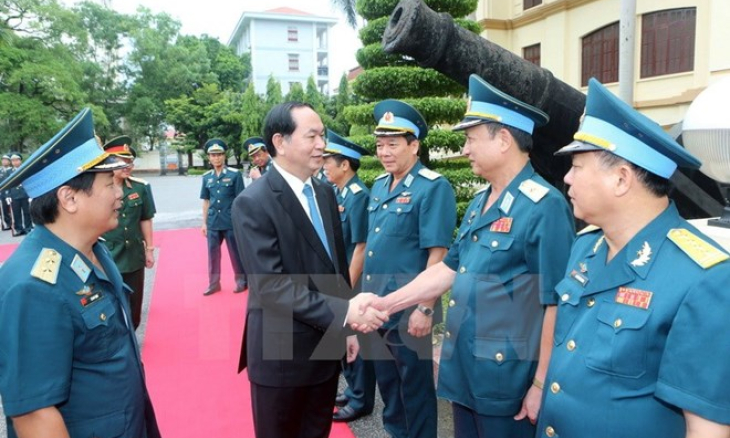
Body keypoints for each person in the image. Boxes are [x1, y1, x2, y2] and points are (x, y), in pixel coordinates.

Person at [361, 76, 576, 438]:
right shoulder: (481, 203)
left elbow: (556, 302)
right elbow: (448, 268)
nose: (464, 149)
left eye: (471, 138)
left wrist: (541, 384)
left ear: (503, 139)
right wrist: (387, 303)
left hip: (507, 379)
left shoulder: (544, 207)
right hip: (466, 369)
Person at [535, 78, 730, 438]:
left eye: (577, 166)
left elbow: (706, 428)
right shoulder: (586, 247)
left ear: (622, 179)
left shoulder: (704, 277)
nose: (566, 178)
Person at [0, 108, 161, 438]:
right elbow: (34, 415)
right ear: (69, 198)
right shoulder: (33, 286)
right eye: (108, 184)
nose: (120, 193)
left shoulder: (94, 248)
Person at [231, 101, 387, 438]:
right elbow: (270, 286)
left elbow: (335, 267)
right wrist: (345, 312)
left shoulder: (325, 192)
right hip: (281, 354)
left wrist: (345, 329)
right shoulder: (254, 202)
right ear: (280, 142)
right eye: (312, 136)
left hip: (326, 349)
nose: (322, 145)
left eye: (323, 135)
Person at [361, 99, 457, 438]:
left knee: (414, 388)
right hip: (376, 306)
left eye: (393, 144)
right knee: (388, 385)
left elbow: (438, 254)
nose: (384, 152)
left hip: (408, 311)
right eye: (379, 145)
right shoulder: (378, 186)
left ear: (414, 145)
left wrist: (424, 307)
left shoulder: (433, 187)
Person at [322, 130, 377, 423]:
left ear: (345, 165)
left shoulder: (358, 196)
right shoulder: (338, 192)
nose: (324, 166)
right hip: (342, 279)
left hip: (353, 283)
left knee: (358, 341)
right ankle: (353, 389)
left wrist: (346, 286)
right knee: (343, 340)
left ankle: (361, 399)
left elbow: (361, 246)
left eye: (329, 161)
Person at [102, 136, 157, 329]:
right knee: (110, 303)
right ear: (108, 163)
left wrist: (149, 249)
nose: (127, 166)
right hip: (108, 255)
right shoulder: (97, 189)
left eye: (129, 162)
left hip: (134, 255)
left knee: (134, 306)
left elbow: (145, 219)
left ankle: (131, 336)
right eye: (121, 161)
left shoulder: (140, 188)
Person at [200, 138, 247, 295]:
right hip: (213, 221)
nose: (216, 158)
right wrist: (204, 223)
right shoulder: (207, 177)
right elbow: (206, 201)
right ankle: (214, 283)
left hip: (230, 221)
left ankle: (241, 280)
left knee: (236, 253)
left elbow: (241, 200)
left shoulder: (235, 175)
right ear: (209, 158)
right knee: (212, 255)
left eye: (219, 154)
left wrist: (241, 221)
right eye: (213, 155)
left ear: (224, 156)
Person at [8, 152, 32, 236]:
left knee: (27, 212)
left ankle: (28, 228)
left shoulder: (25, 169)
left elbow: (30, 181)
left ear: (20, 160)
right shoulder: (9, 171)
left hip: (25, 194)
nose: (15, 162)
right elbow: (6, 184)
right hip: (14, 195)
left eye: (17, 160)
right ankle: (19, 229)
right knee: (16, 213)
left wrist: (30, 194)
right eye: (13, 160)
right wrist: (8, 195)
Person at [0, 153, 11, 231]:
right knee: (3, 209)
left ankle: (13, 223)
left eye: (6, 160)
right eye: (3, 160)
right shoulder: (0, 170)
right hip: (2, 192)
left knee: (12, 209)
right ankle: (6, 224)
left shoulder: (11, 170)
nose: (4, 161)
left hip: (10, 192)